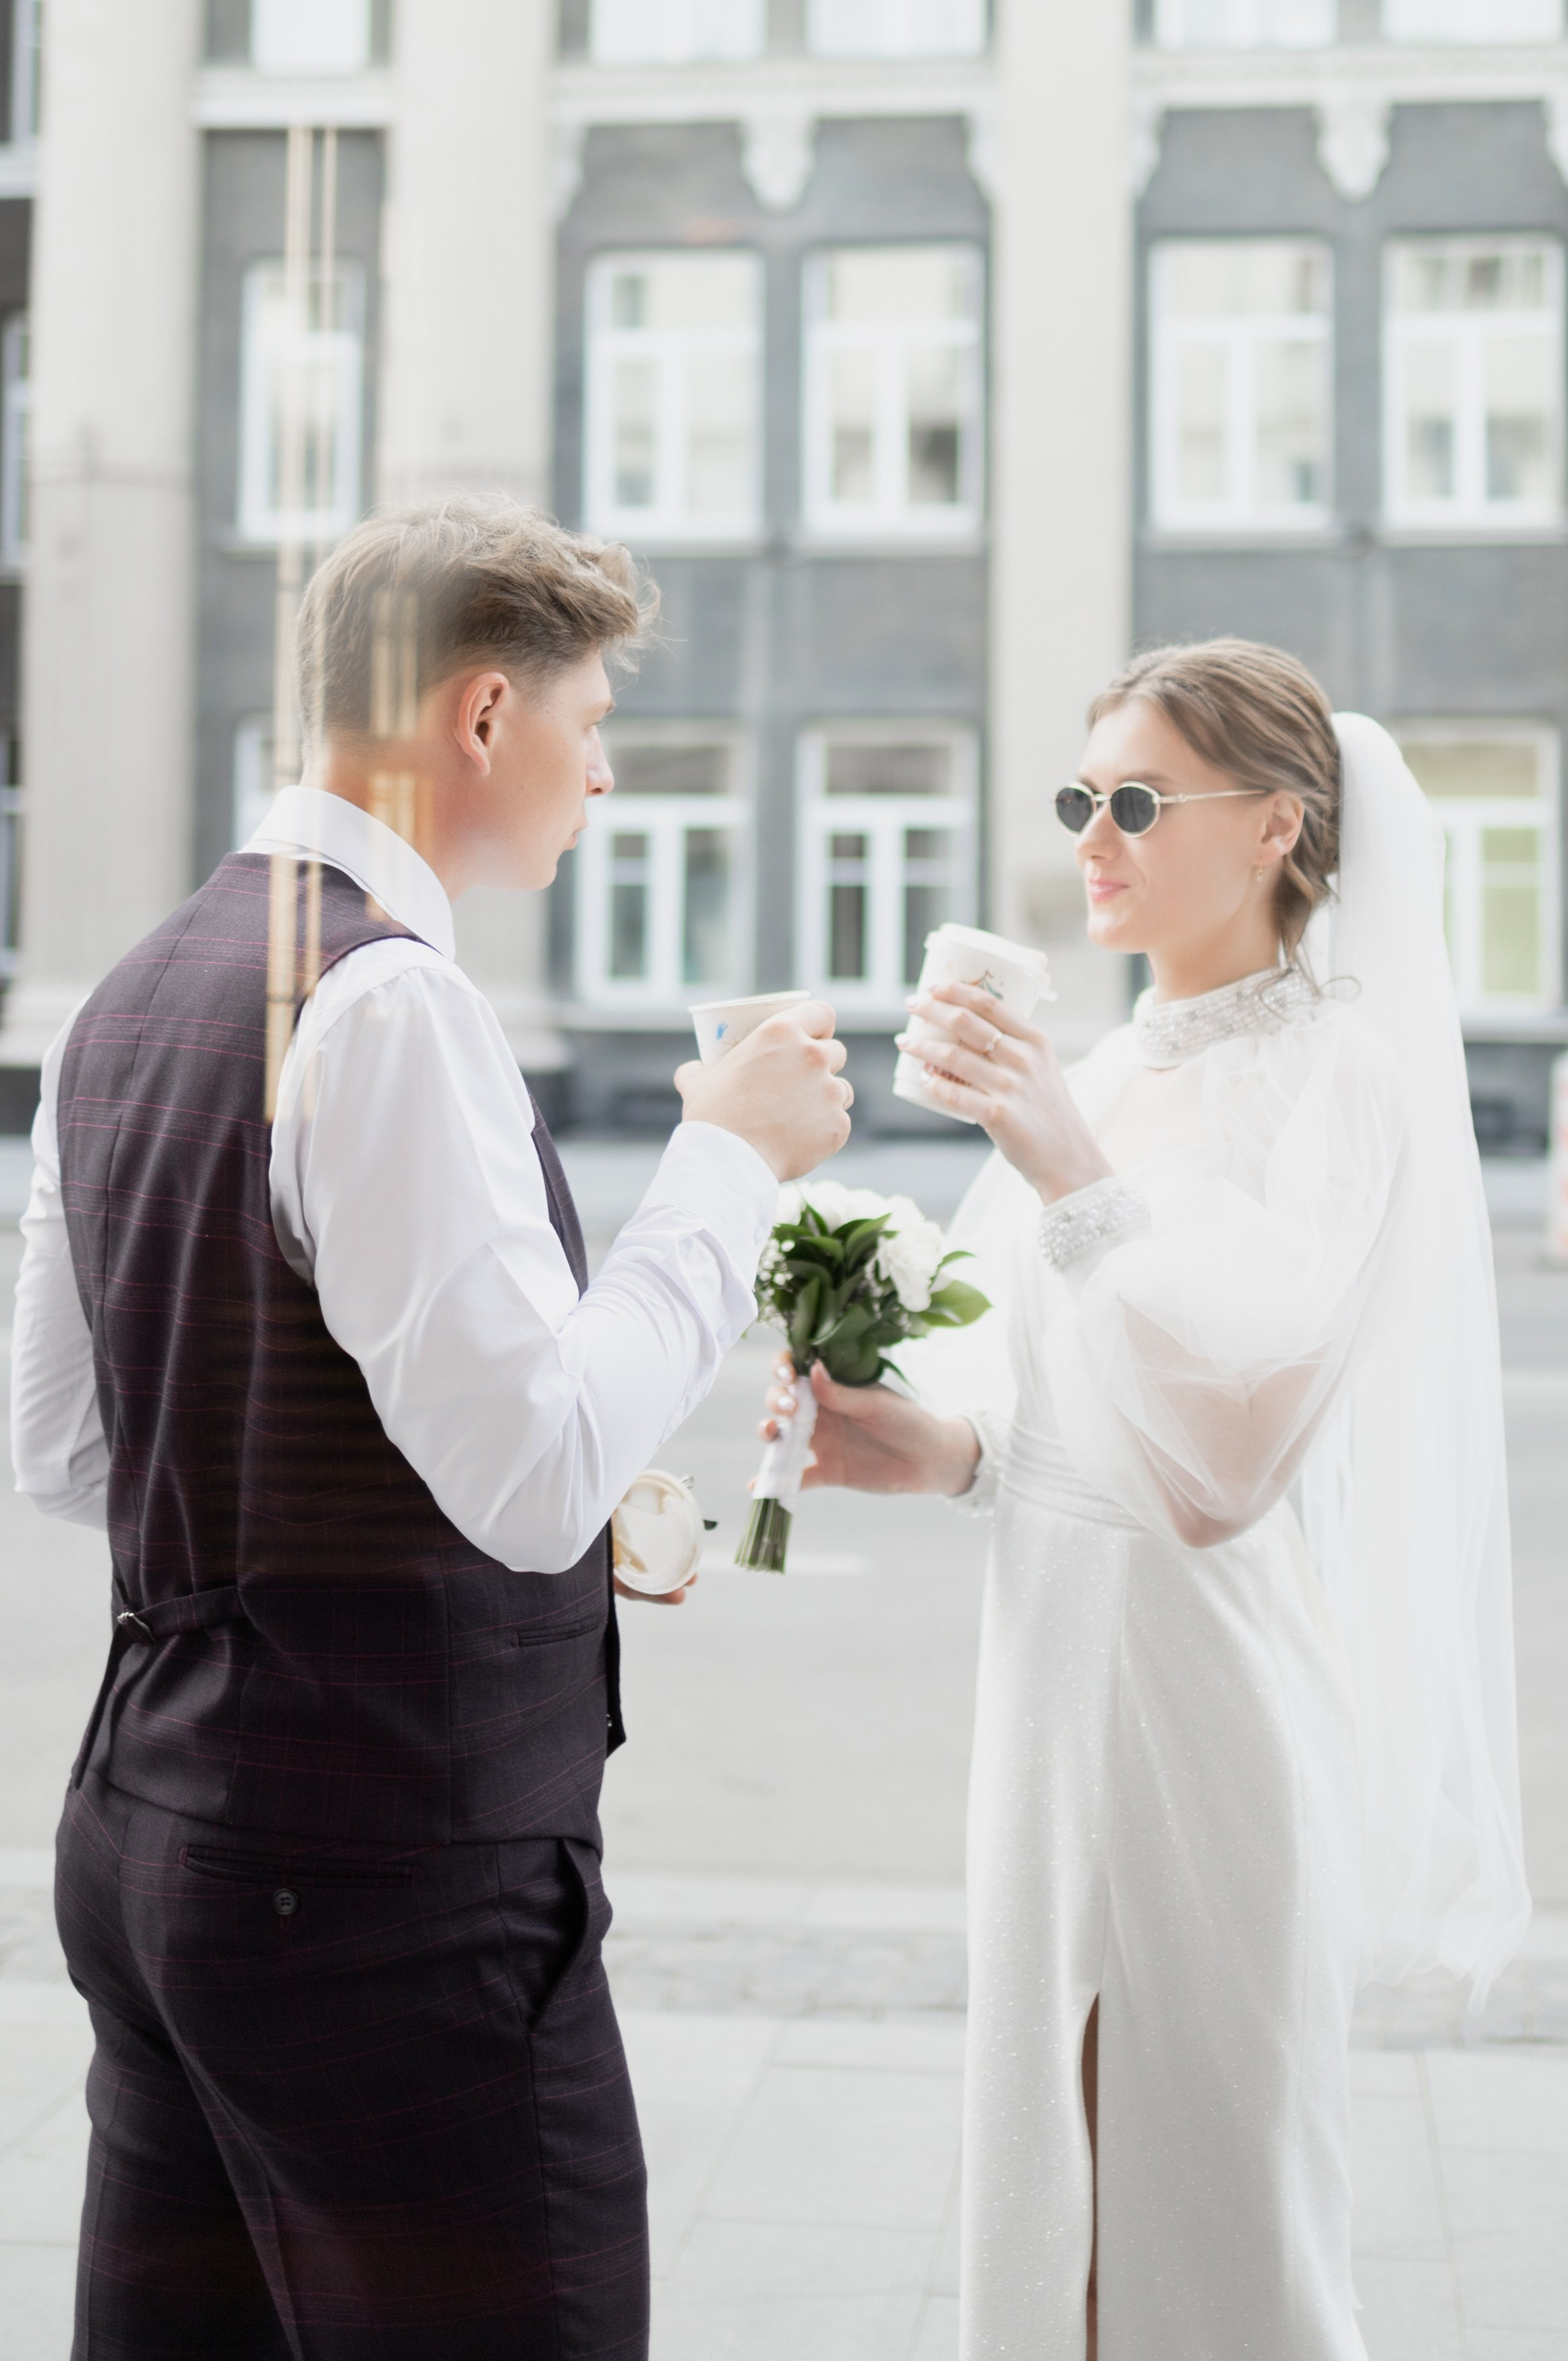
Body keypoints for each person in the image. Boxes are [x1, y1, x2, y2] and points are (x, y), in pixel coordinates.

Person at [10, 498, 853, 2360]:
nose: (603, 772)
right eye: (589, 719)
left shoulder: (124, 995)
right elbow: (531, 1475)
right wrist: (728, 1158)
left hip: (154, 1840)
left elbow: (73, 1450)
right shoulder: (390, 998)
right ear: (483, 713)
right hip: (381, 1888)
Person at [761, 639, 1529, 2359]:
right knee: (1056, 2193)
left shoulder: (1340, 1078)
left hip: (1206, 1697)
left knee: (1211, 2208)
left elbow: (1224, 1472)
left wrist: (1064, 1161)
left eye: (1135, 799)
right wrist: (920, 1445)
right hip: (1048, 1690)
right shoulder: (1102, 1072)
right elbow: (1047, 1416)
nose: (1091, 837)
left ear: (1275, 824)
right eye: (1079, 797)